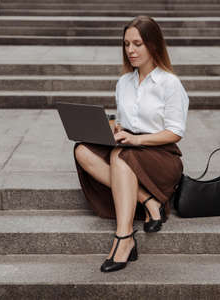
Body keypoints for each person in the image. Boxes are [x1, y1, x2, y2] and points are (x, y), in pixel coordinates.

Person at [73, 15, 189, 273]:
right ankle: (148, 200)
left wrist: (137, 139)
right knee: (82, 150)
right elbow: (124, 121)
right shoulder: (123, 82)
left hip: (161, 155)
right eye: (126, 44)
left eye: (137, 44)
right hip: (129, 145)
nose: (131, 50)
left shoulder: (169, 83)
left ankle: (124, 238)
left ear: (153, 45)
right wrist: (112, 127)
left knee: (120, 156)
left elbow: (175, 132)